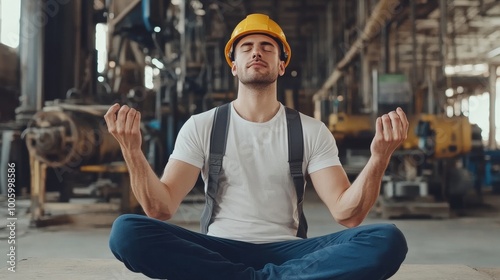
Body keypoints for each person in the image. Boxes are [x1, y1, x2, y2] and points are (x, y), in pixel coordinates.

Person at [105, 13, 408, 280]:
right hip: (219, 249)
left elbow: (348, 214)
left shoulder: (311, 130)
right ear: (234, 66)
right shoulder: (202, 126)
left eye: (267, 47)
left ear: (281, 64)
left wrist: (379, 157)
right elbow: (160, 209)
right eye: (246, 48)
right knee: (127, 231)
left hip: (291, 251)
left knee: (386, 239)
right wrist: (132, 150)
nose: (256, 53)